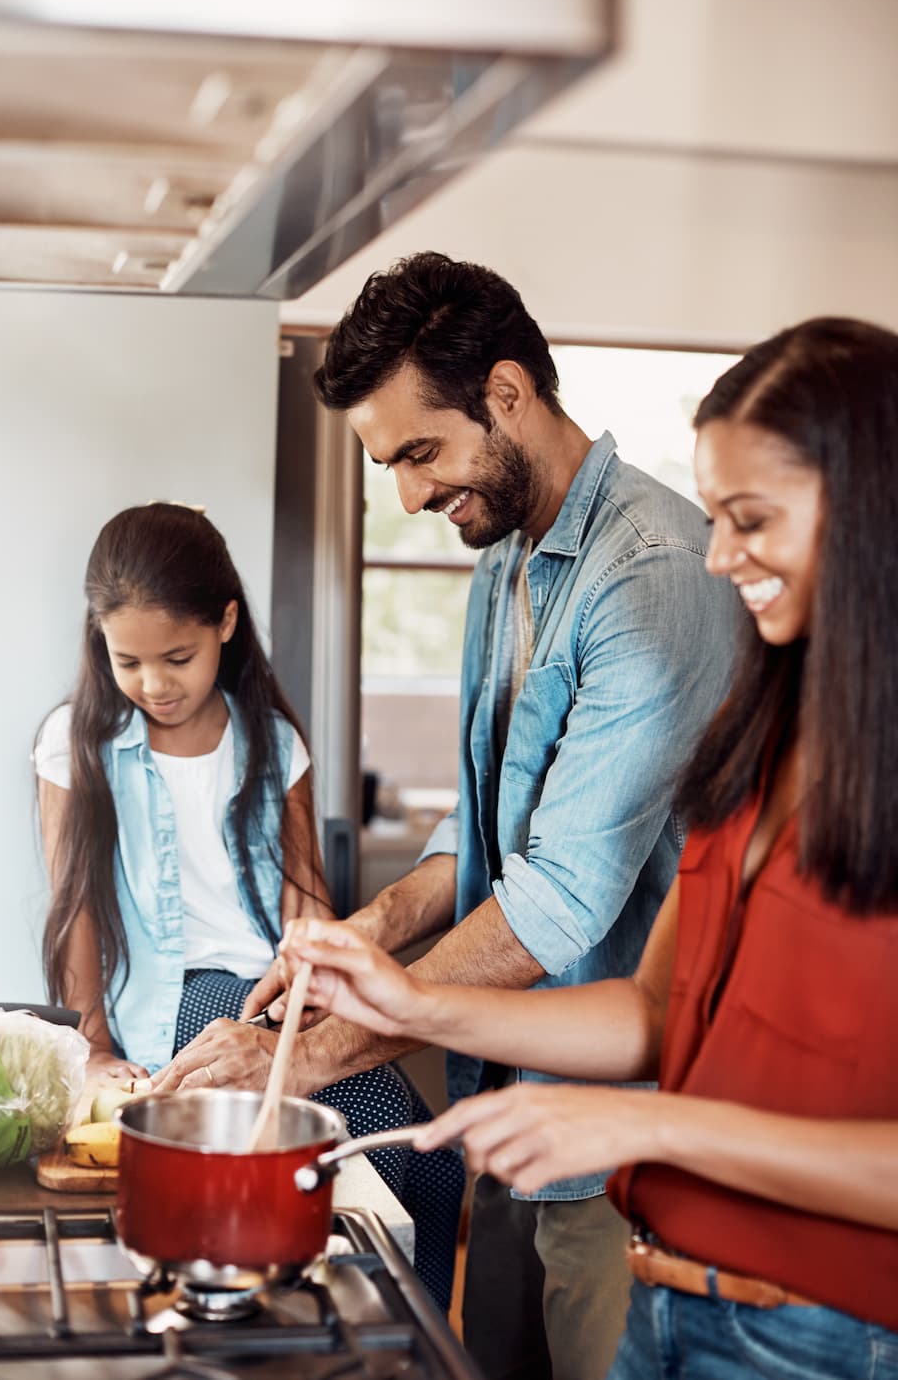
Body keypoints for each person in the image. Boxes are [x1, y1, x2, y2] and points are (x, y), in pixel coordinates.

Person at [277, 315, 898, 1380]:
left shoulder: (646, 580)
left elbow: (563, 898)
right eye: (715, 516)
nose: (717, 556)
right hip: (670, 1289)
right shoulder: (763, 735)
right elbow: (657, 1012)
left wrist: (646, 1129)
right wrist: (410, 1002)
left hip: (817, 1332)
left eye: (749, 518)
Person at [153, 254, 736, 1379]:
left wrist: (303, 1051)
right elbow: (477, 826)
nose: (410, 496)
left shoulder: (652, 577)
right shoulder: (507, 556)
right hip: (504, 1111)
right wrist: (372, 926)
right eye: (390, 466)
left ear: (507, 394)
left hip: (620, 1143)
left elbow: (549, 908)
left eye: (420, 453)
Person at [34, 502, 463, 1310]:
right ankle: (328, 1320)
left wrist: (323, 1006)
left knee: (435, 1154)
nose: (155, 684)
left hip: (269, 992)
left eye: (178, 657)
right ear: (99, 640)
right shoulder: (75, 744)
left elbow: (307, 903)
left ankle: (407, 1343)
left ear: (226, 622)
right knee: (366, 1115)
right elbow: (75, 906)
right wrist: (90, 1044)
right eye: (127, 660)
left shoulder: (272, 742)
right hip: (179, 998)